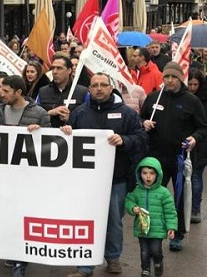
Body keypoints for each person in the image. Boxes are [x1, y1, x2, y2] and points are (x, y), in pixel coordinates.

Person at [62, 73, 148, 277]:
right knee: (84, 221)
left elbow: (142, 139)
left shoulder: (126, 114)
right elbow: (67, 141)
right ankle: (84, 266)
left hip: (115, 179)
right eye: (95, 85)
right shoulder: (80, 113)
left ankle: (113, 258)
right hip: (85, 181)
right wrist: (65, 131)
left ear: (111, 88)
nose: (99, 88)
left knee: (113, 221)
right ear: (89, 89)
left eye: (103, 85)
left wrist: (125, 140)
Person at [0, 75, 50, 277]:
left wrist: (41, 133)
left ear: (18, 92)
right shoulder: (1, 110)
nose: (0, 94)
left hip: (28, 178)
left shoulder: (39, 113)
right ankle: (14, 251)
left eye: (6, 91)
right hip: (6, 176)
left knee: (24, 217)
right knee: (9, 216)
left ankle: (21, 260)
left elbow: (52, 145)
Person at [140, 62, 207, 251]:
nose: (169, 80)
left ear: (180, 78)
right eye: (166, 77)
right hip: (156, 157)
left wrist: (194, 138)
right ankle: (151, 229)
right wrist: (144, 122)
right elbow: (140, 118)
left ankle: (177, 234)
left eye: (173, 77)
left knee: (179, 198)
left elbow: (203, 127)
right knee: (153, 195)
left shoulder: (191, 101)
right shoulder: (154, 97)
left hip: (181, 159)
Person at [125, 157, 178, 277]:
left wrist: (171, 227)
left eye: (152, 173)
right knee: (144, 251)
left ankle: (158, 262)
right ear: (139, 174)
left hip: (157, 229)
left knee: (155, 250)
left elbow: (170, 211)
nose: (148, 177)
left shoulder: (164, 193)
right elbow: (129, 201)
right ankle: (145, 269)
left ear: (158, 174)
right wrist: (133, 208)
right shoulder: (137, 191)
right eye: (144, 173)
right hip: (142, 228)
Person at [37, 54, 89, 127]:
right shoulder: (42, 92)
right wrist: (50, 113)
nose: (54, 72)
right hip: (48, 136)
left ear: (69, 70)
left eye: (59, 68)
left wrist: (70, 119)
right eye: (53, 68)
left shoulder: (82, 92)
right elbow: (34, 117)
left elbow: (90, 119)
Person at [187, 69, 207, 223]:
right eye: (190, 84)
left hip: (201, 143)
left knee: (196, 176)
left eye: (196, 84)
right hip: (185, 141)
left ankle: (195, 209)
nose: (192, 87)